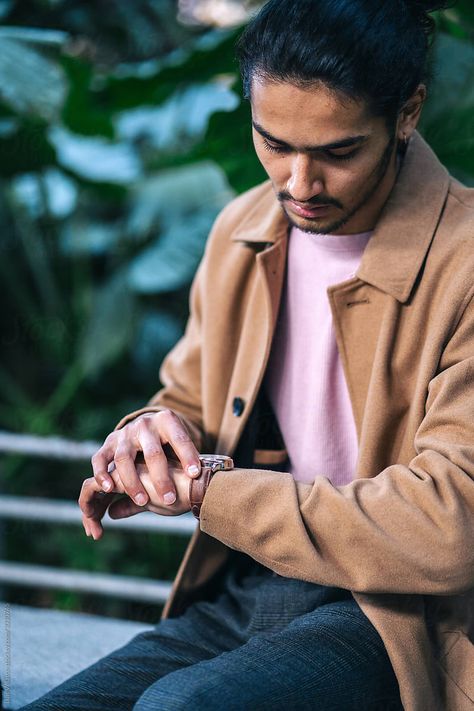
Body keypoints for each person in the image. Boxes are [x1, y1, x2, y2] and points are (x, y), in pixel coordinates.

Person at [22, 0, 474, 709]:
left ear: (408, 113)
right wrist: (149, 436)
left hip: (394, 614)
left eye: (337, 152)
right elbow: (189, 397)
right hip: (256, 583)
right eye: (274, 142)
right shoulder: (243, 228)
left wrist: (215, 492)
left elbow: (450, 524)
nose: (298, 184)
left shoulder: (466, 260)